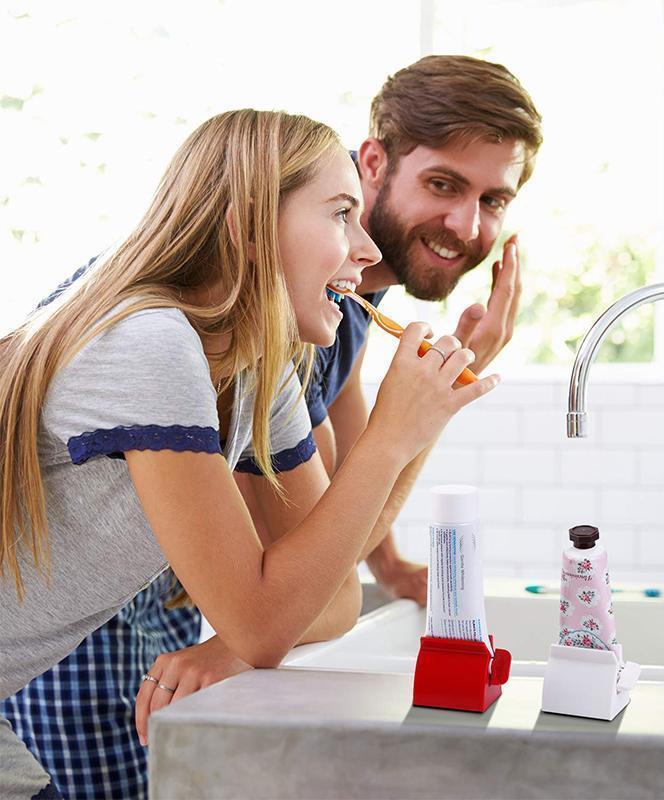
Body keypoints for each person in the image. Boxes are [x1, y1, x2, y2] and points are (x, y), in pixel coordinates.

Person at [4, 55, 543, 800]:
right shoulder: (155, 341)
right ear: (249, 230)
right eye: (340, 215)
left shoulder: (265, 365)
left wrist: (407, 424)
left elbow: (327, 590)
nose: (366, 250)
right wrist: (393, 432)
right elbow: (266, 614)